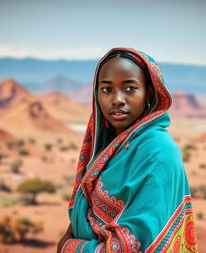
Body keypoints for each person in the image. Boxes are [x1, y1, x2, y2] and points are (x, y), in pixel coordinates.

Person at [57, 47, 198, 253]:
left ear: (148, 93)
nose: (117, 99)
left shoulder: (157, 151)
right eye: (107, 89)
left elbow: (136, 245)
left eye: (130, 88)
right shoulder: (109, 146)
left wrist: (70, 248)